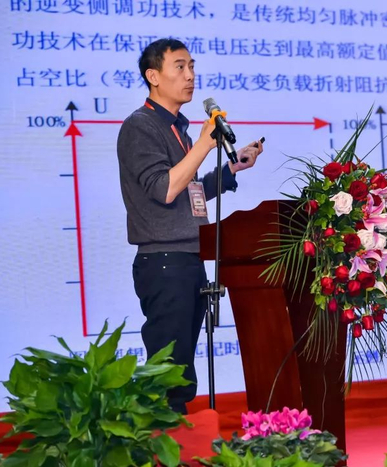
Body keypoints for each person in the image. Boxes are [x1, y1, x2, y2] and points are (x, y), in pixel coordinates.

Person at [116, 38, 263, 413]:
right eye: (179, 67)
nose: (190, 75)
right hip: (164, 263)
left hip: (188, 258)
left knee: (181, 370)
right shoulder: (140, 126)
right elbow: (164, 189)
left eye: (192, 66)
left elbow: (189, 191)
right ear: (153, 76)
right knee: (169, 375)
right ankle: (162, 437)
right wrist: (204, 144)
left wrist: (232, 168)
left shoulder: (177, 130)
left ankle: (174, 433)